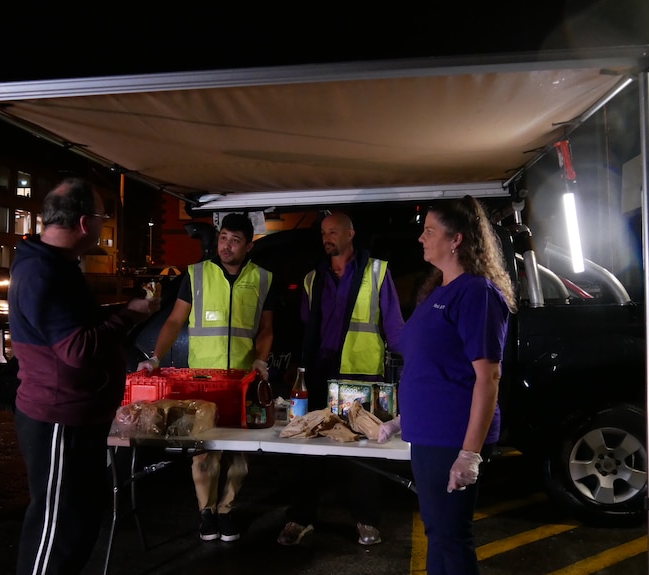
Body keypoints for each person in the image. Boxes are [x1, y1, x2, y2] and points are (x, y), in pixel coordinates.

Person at [8, 177, 160, 575]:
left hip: (79, 418)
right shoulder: (43, 273)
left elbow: (82, 323)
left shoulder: (56, 265)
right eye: (101, 217)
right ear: (83, 223)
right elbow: (76, 349)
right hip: (59, 419)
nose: (101, 225)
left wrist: (122, 309)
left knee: (78, 523)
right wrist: (131, 315)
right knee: (55, 529)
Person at [391, 196, 516, 574]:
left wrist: (470, 453)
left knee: (451, 536)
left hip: (452, 437)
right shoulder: (438, 291)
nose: (421, 238)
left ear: (456, 239)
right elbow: (433, 367)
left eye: (430, 231)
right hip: (429, 435)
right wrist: (400, 419)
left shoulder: (476, 293)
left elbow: (488, 376)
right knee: (438, 533)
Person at [136, 213, 274, 543]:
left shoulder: (263, 278)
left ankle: (227, 510)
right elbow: (173, 321)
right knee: (204, 451)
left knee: (239, 455)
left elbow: (267, 329)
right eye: (223, 237)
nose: (226, 245)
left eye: (235, 240)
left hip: (243, 381)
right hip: (203, 382)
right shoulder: (195, 275)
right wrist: (154, 357)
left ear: (249, 246)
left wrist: (261, 359)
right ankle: (206, 513)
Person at [277, 212, 404, 546]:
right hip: (320, 373)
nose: (326, 238)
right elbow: (306, 326)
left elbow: (394, 325)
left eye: (333, 231)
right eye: (323, 233)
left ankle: (366, 521)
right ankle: (300, 518)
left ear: (351, 234)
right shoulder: (312, 278)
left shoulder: (377, 271)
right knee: (308, 446)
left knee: (363, 452)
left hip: (359, 376)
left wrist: (411, 367)